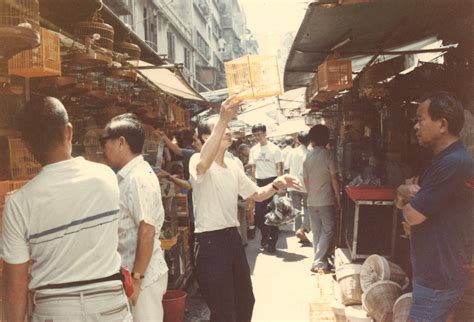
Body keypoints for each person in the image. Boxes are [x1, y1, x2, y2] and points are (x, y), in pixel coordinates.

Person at [3, 96, 131, 321]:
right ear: (69, 132)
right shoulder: (105, 177)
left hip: (55, 310)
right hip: (109, 304)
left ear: (27, 145)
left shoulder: (18, 203)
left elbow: (15, 286)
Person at [189, 96, 301, 322]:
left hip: (232, 238)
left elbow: (257, 194)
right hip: (210, 242)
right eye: (222, 128)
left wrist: (278, 182)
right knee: (223, 310)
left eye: (229, 127)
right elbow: (203, 164)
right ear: (205, 137)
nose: (228, 131)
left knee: (245, 301)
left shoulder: (233, 164)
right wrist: (222, 117)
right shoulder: (196, 161)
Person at [395, 92, 473, 321]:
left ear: (442, 124)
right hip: (433, 271)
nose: (416, 126)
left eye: (421, 119)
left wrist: (404, 197)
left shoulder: (453, 163)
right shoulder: (442, 161)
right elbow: (403, 197)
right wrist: (401, 192)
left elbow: (412, 215)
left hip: (440, 276)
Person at [101, 113, 168, 321]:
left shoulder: (137, 177)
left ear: (121, 142)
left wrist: (137, 279)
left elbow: (146, 230)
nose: (103, 148)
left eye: (105, 141)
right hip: (136, 274)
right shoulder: (130, 175)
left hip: (143, 277)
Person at [302, 124, 341, 273]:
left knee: (317, 232)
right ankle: (318, 261)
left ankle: (319, 262)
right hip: (325, 200)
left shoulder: (307, 155)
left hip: (312, 200)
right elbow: (334, 179)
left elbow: (306, 180)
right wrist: (338, 198)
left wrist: (311, 193)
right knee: (329, 230)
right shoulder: (328, 155)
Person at [249, 123, 284, 253]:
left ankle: (272, 242)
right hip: (259, 183)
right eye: (255, 135)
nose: (257, 137)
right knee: (258, 215)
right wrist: (252, 184)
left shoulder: (275, 149)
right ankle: (265, 235)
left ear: (265, 133)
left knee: (273, 215)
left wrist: (280, 186)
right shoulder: (253, 150)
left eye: (259, 134)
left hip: (273, 182)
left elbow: (279, 168)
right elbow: (253, 168)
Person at [285, 131, 311, 245]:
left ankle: (298, 231)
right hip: (306, 185)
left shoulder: (292, 152)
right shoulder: (310, 153)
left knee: (296, 210)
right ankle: (303, 229)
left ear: (298, 140)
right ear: (309, 141)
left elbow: (286, 167)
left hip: (293, 184)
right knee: (308, 208)